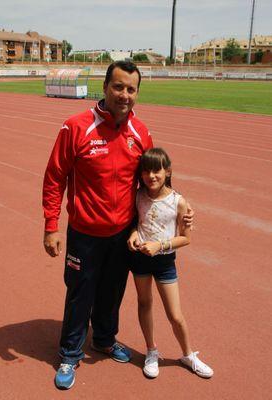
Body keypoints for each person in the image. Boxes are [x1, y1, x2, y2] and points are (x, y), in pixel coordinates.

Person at [42, 61, 194, 390]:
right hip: (84, 233)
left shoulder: (141, 133)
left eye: (131, 89)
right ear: (106, 86)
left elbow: (153, 183)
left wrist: (178, 206)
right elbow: (55, 177)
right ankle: (70, 352)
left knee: (112, 291)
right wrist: (51, 225)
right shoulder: (76, 126)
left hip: (123, 233)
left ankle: (105, 339)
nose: (124, 94)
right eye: (118, 87)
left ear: (137, 93)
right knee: (80, 293)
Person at [127, 147, 213, 380]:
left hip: (165, 262)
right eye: (145, 172)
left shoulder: (179, 202)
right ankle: (151, 351)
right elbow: (135, 222)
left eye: (156, 171)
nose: (151, 176)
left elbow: (185, 238)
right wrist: (134, 233)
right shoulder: (137, 195)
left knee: (175, 314)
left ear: (168, 172)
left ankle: (188, 354)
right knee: (144, 303)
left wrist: (160, 246)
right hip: (140, 259)